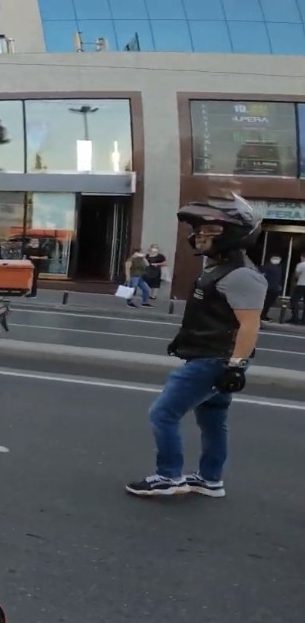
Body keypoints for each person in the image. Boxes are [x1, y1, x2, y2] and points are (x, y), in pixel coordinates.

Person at [126, 194, 265, 499]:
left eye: (211, 230)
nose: (200, 234)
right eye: (200, 228)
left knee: (162, 413)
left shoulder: (241, 274)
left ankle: (168, 477)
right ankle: (210, 480)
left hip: (214, 360)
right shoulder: (220, 267)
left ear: (233, 234)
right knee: (213, 420)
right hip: (211, 357)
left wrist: (235, 366)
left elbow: (250, 324)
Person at [261, 253, 284, 323]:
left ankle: (263, 315)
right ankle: (262, 315)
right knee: (267, 303)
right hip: (271, 288)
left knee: (266, 303)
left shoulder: (269, 267)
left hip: (271, 287)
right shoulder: (275, 268)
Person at [291, 252, 305, 325]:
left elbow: (296, 275)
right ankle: (303, 320)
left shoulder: (300, 265)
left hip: (301, 285)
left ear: (302, 257)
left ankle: (295, 318)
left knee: (294, 301)